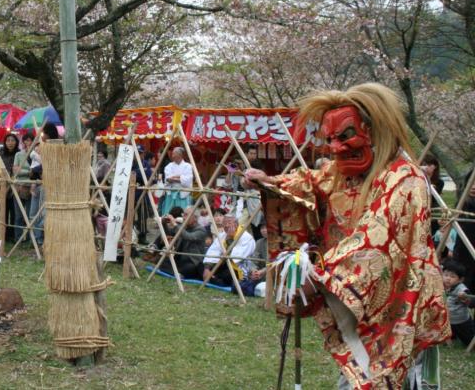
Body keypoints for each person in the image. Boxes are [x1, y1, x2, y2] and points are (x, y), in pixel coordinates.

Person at [245, 83, 450, 389]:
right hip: (358, 301)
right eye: (330, 139)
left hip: (399, 301)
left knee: (386, 376)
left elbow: (377, 234)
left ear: (374, 129)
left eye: (346, 136)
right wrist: (271, 183)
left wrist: (323, 276)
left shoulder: (405, 178)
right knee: (360, 375)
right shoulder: (340, 172)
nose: (337, 147)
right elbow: (310, 182)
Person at [27, 123, 59, 247]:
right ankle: (35, 240)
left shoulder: (55, 147)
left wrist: (35, 170)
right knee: (33, 214)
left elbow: (50, 164)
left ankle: (41, 240)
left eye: (44, 133)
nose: (42, 135)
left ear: (49, 134)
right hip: (37, 184)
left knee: (43, 215)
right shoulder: (41, 146)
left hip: (49, 185)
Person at [202, 214, 255, 286]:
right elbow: (214, 251)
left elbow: (236, 258)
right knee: (201, 266)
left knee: (227, 275)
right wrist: (207, 268)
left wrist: (229, 240)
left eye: (229, 223)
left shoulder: (246, 237)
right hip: (223, 263)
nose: (226, 225)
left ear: (236, 224)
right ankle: (213, 278)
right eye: (224, 223)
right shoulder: (222, 235)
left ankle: (215, 279)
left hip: (238, 267)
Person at [160, 207, 207, 280]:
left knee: (190, 268)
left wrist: (175, 224)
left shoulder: (201, 230)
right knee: (163, 262)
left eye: (186, 215)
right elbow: (170, 233)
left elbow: (188, 236)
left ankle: (176, 273)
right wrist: (164, 224)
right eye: (183, 215)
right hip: (180, 259)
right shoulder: (184, 226)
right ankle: (177, 273)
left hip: (192, 261)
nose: (183, 217)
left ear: (195, 218)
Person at [441, 259, 475, 347]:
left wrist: (465, 298)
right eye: (446, 275)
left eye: (452, 276)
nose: (448, 278)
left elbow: (472, 303)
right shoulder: (441, 286)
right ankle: (450, 338)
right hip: (448, 321)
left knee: (469, 341)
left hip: (462, 322)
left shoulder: (461, 289)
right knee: (443, 338)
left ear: (460, 280)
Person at [12, 133, 35, 242]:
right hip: (20, 187)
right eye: (26, 140)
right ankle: (19, 238)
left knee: (31, 214)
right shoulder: (19, 155)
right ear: (23, 142)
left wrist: (32, 173)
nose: (28, 142)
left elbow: (37, 171)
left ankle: (32, 239)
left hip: (32, 187)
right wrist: (28, 172)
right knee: (19, 215)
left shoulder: (36, 154)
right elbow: (15, 170)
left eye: (30, 140)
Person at [159, 147, 193, 215]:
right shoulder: (169, 166)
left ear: (180, 155)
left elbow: (187, 180)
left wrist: (175, 178)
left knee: (183, 213)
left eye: (174, 153)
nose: (172, 155)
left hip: (183, 193)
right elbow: (168, 179)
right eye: (172, 154)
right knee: (168, 213)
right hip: (171, 193)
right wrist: (180, 177)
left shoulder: (188, 166)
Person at [0, 133, 19, 240]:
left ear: (16, 142)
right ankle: (4, 234)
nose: (10, 143)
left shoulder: (19, 153)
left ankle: (14, 234)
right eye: (8, 141)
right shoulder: (1, 153)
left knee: (14, 211)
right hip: (3, 185)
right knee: (4, 211)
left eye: (12, 140)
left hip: (15, 185)